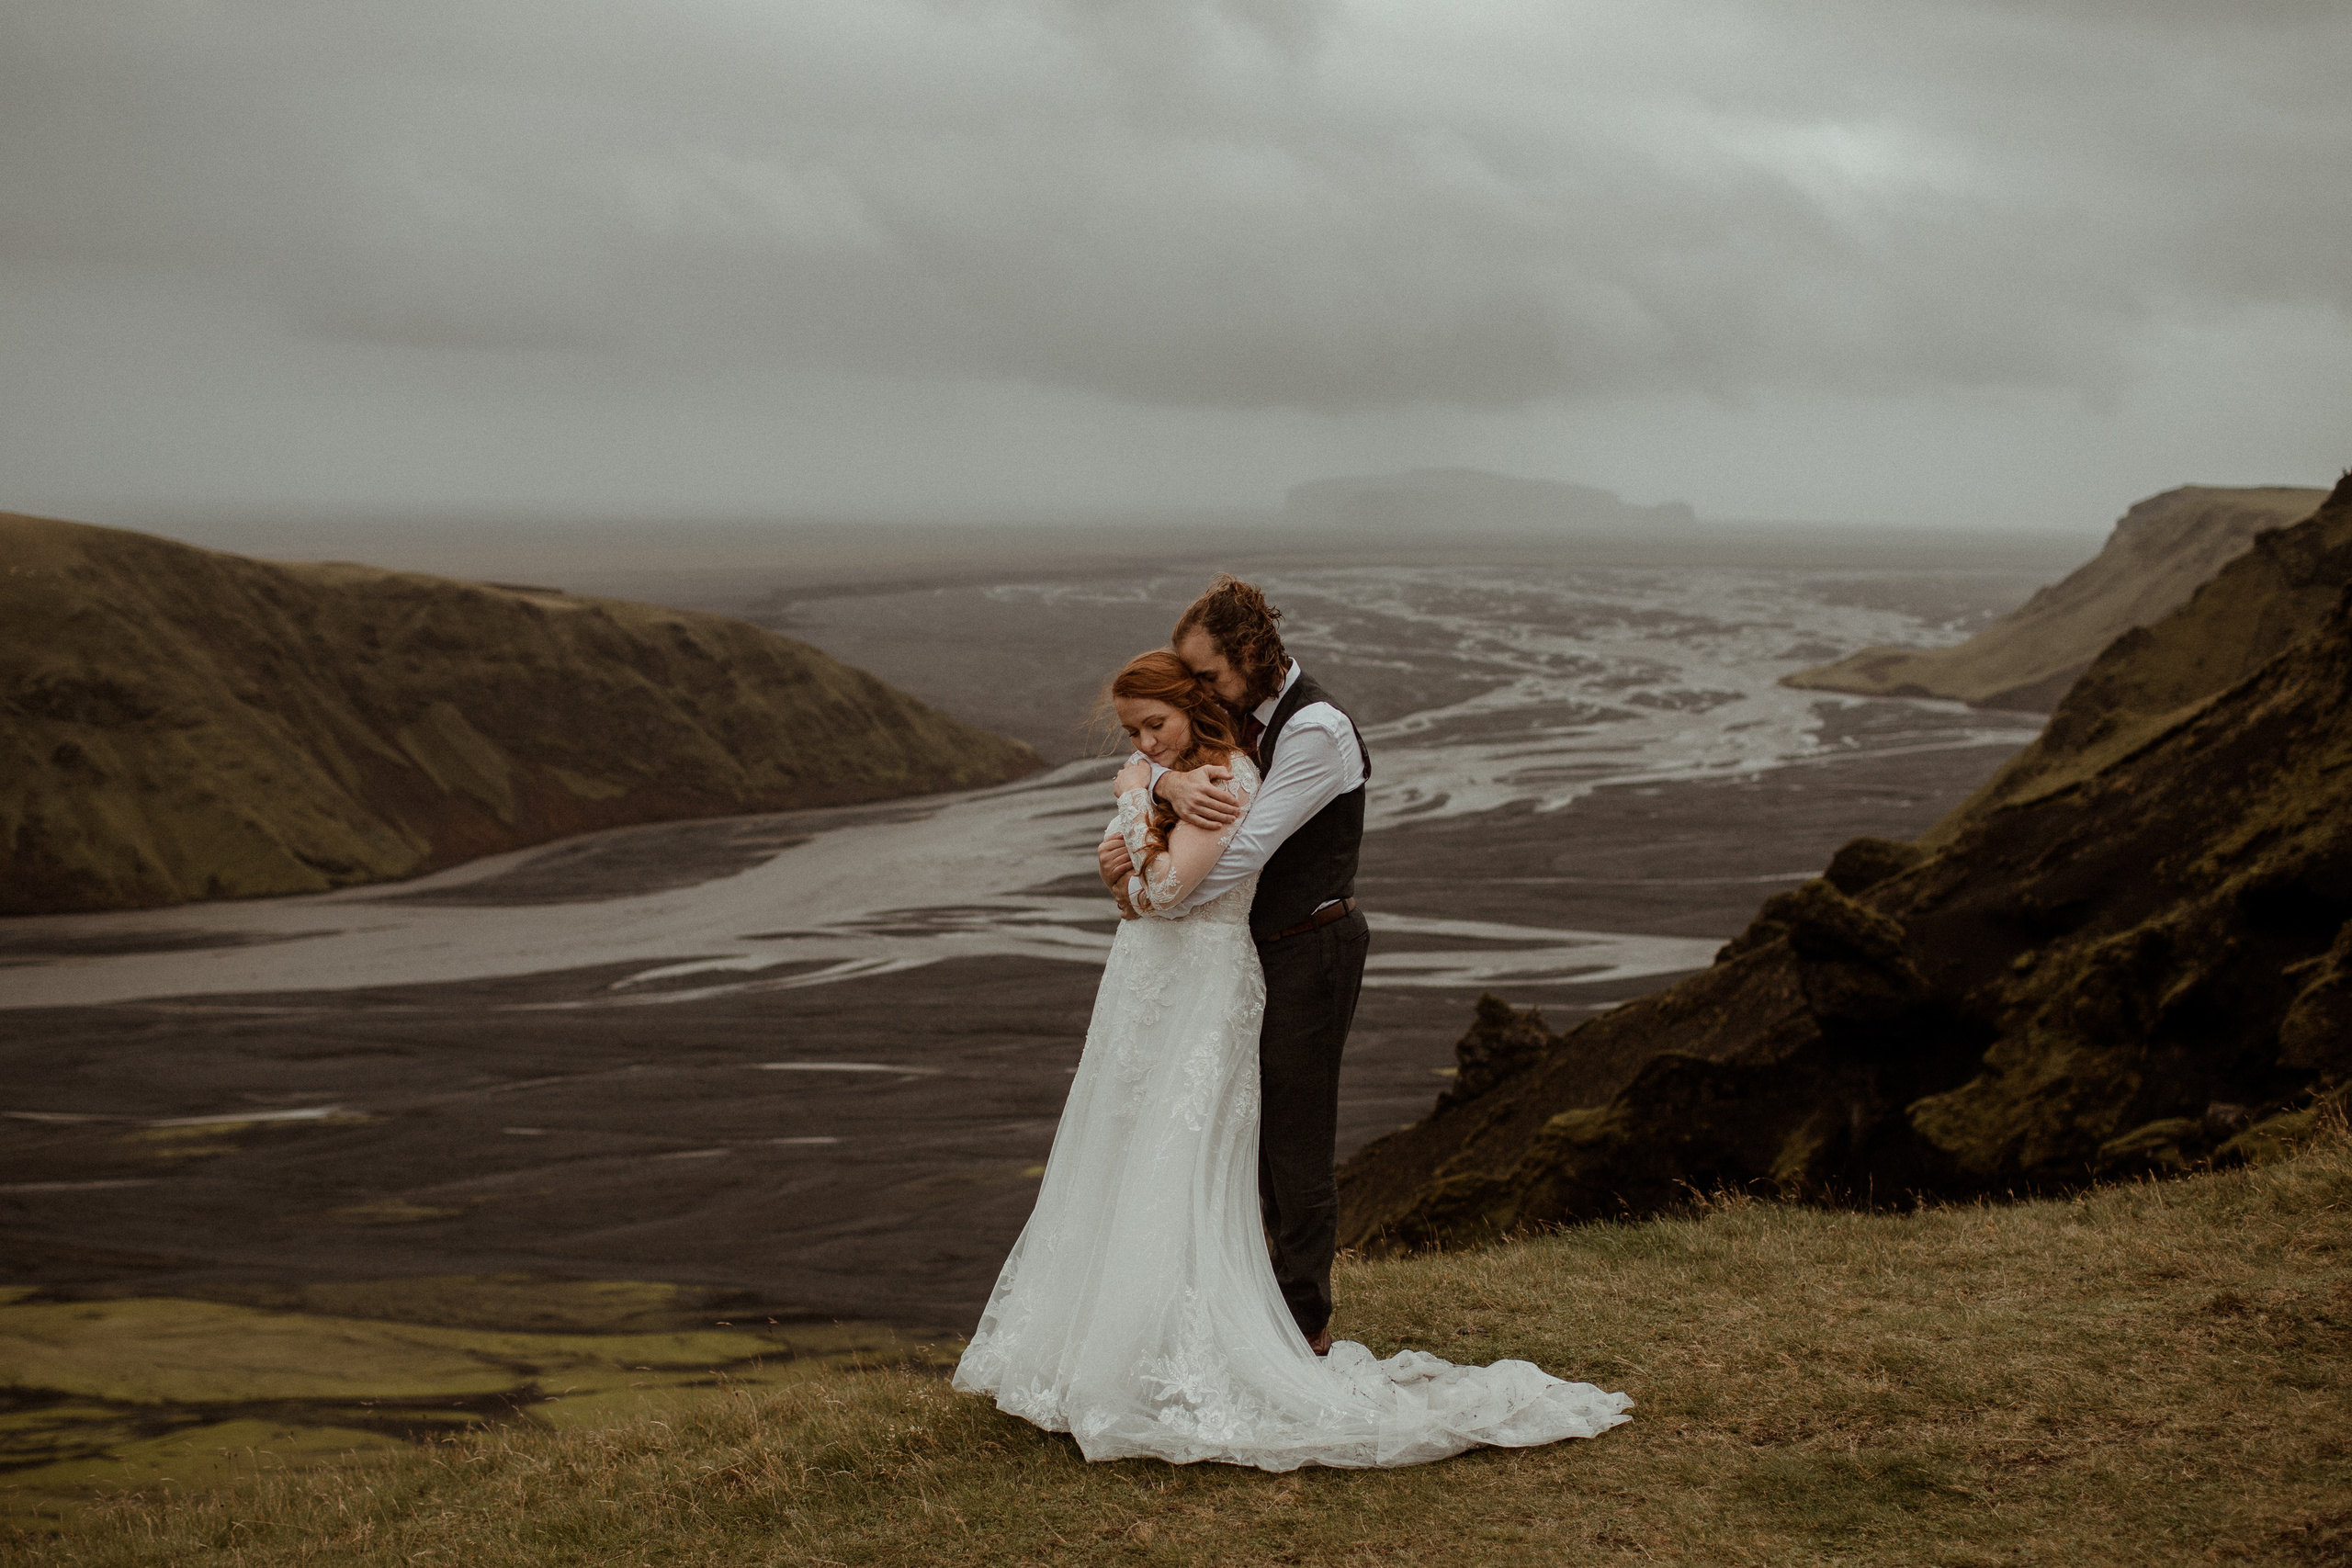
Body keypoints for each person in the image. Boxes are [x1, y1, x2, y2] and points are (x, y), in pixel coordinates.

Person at [950, 625, 1630, 1471]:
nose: (1151, 737)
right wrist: (1142, 815)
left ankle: (1298, 1324)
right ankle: (1120, 1336)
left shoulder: (1285, 746)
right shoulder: (1193, 762)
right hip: (1174, 975)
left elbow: (1196, 875)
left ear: (1237, 664)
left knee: (1260, 1142)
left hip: (1263, 958)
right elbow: (1135, 888)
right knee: (1139, 1142)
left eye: (1167, 714)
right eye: (1136, 730)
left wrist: (1138, 806)